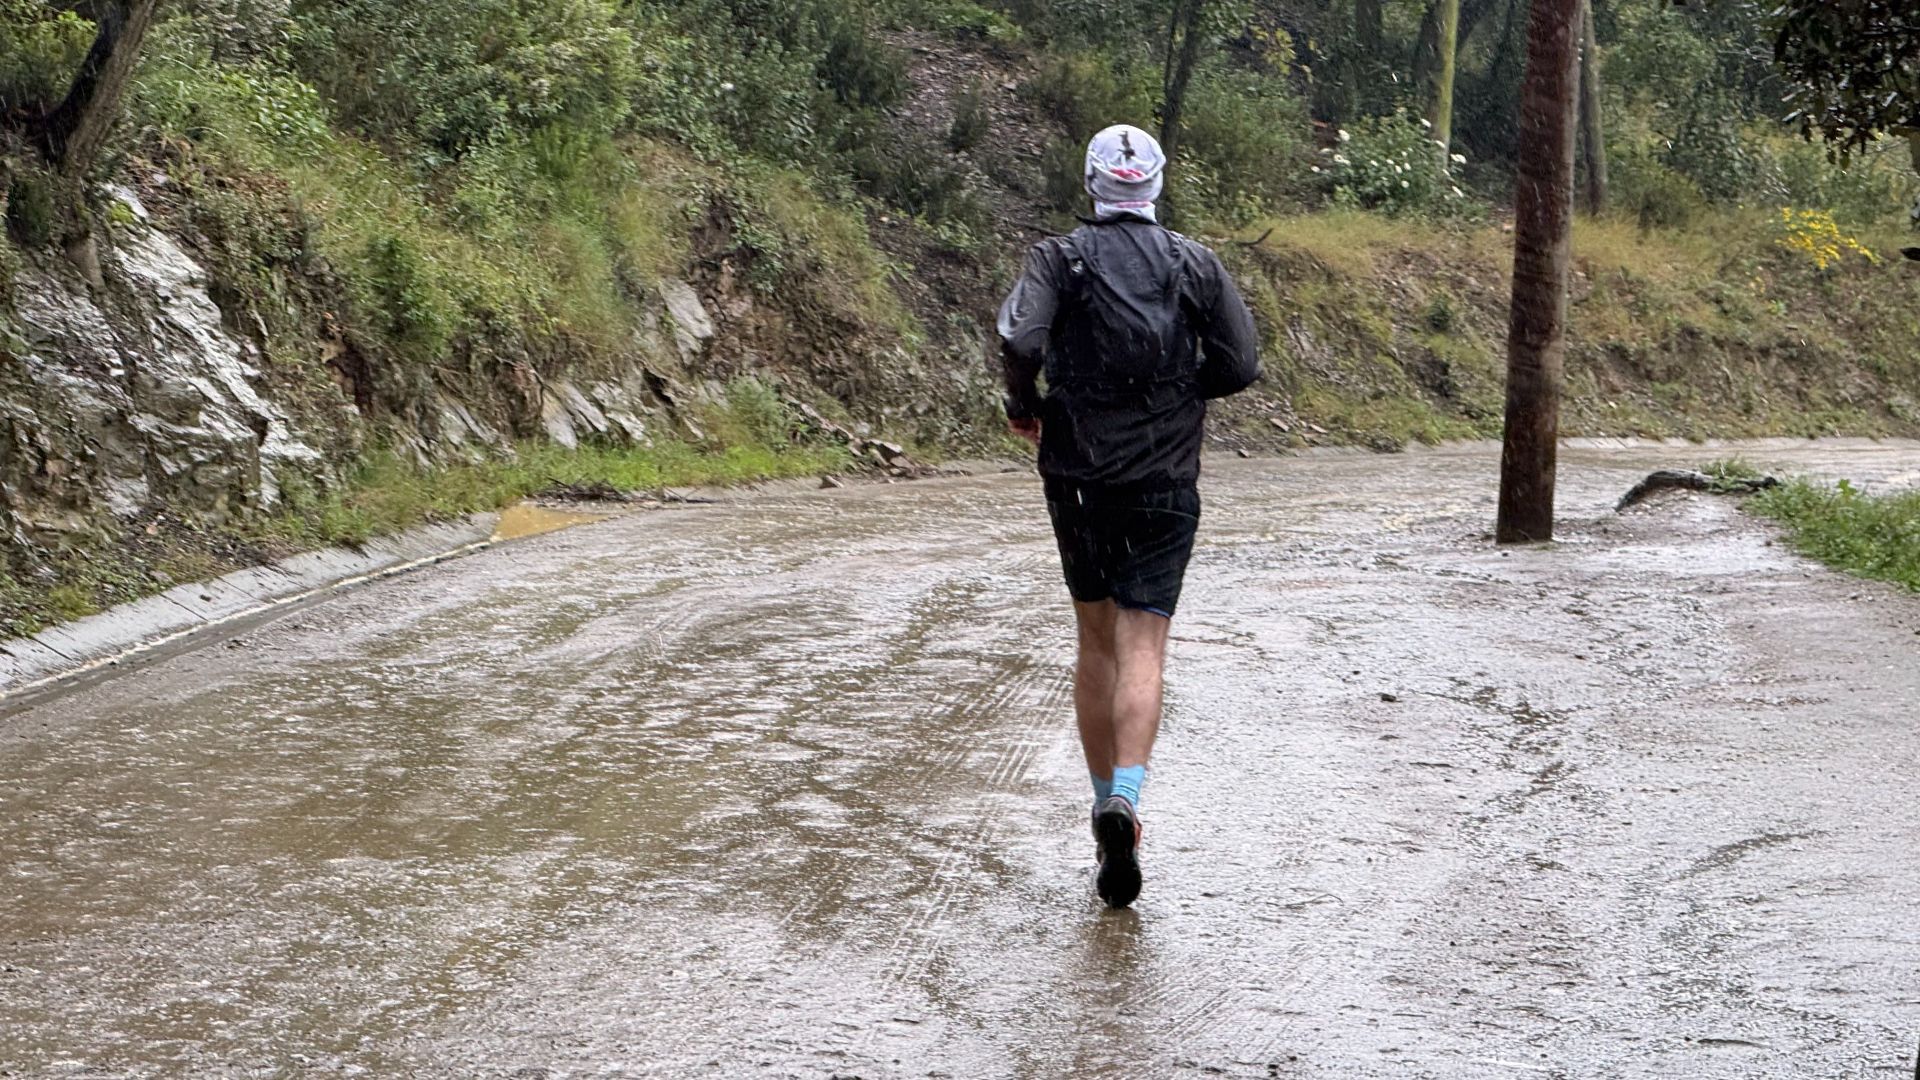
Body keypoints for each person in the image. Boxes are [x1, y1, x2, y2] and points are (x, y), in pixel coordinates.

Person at [996, 123, 1260, 909]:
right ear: (1154, 185)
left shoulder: (1059, 258)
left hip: (1077, 472)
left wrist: (1026, 405)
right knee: (1145, 639)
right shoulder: (1194, 262)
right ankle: (1130, 804)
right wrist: (1177, 392)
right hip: (1165, 476)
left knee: (1096, 638)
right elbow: (1241, 363)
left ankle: (1100, 799)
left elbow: (1020, 335)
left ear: (1093, 185)